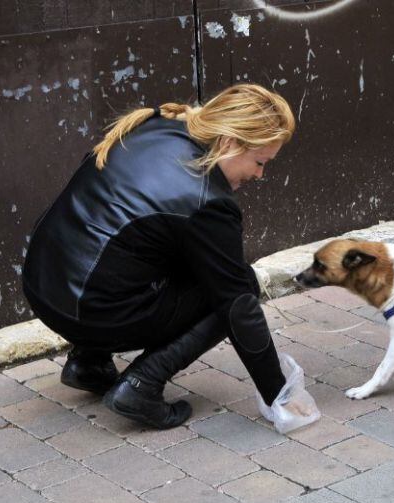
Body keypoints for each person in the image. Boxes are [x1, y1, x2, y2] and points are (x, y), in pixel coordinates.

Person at [22, 84, 310, 430]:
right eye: (260, 161)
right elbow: (239, 305)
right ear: (230, 142)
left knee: (149, 242)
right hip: (93, 313)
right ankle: (141, 387)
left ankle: (89, 364)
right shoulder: (210, 202)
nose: (260, 175)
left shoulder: (156, 123)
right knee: (239, 283)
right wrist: (278, 394)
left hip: (43, 287)